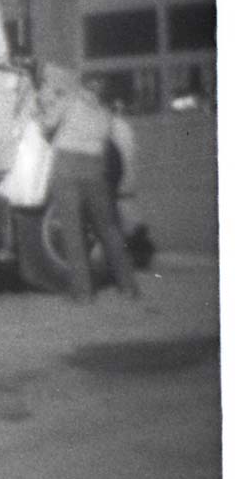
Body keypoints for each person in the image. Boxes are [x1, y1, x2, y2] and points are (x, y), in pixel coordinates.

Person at [37, 64, 140, 303]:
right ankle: (128, 286)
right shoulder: (105, 112)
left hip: (67, 169)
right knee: (109, 229)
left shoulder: (70, 102)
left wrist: (41, 114)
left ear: (83, 84)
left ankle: (83, 293)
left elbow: (47, 126)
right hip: (95, 171)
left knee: (73, 232)